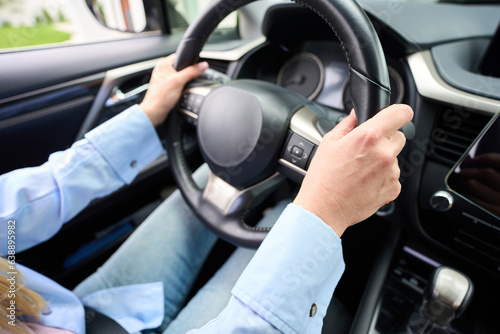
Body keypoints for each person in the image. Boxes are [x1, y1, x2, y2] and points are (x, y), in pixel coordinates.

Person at [0, 53, 413, 334]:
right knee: (305, 243)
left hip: (76, 314)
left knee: (207, 180)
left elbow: (17, 208)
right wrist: (324, 211)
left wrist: (146, 114)